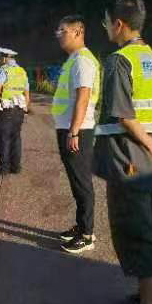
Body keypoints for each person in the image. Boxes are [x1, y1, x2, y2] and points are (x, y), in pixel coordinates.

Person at [94, 0, 152, 304]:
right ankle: (151, 295)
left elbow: (124, 115)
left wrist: (148, 143)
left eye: (107, 22)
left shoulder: (118, 61)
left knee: (136, 233)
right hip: (150, 164)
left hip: (129, 158)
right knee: (151, 227)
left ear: (119, 24)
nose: (107, 28)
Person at [51, 15, 101, 255]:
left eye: (63, 30)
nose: (58, 34)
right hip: (70, 129)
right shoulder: (73, 60)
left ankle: (87, 234)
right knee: (76, 181)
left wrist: (74, 131)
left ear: (78, 32)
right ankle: (81, 225)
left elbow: (83, 96)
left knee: (82, 182)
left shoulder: (83, 61)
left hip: (78, 130)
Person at [0, 47, 29, 175]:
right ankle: (16, 167)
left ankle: (3, 168)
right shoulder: (22, 71)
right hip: (19, 110)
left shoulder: (3, 70)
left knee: (3, 137)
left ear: (4, 58)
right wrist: (26, 107)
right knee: (16, 137)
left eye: (0, 58)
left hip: (6, 110)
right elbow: (26, 93)